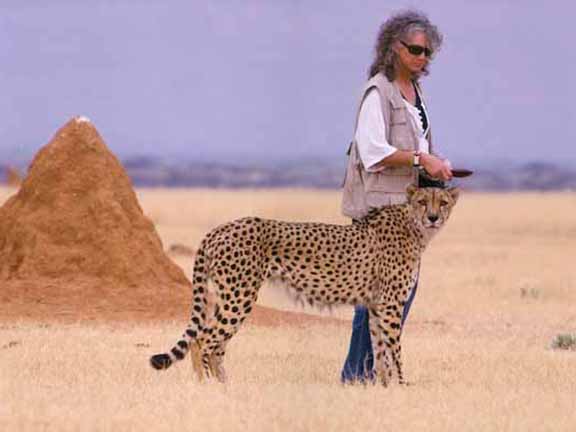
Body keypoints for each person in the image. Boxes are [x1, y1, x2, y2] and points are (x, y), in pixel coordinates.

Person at [340, 10, 452, 383]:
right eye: (416, 50)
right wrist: (422, 159)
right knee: (378, 297)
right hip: (380, 213)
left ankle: (372, 376)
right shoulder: (379, 92)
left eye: (428, 53)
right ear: (393, 47)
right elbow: (372, 152)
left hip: (406, 217)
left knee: (394, 296)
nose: (423, 59)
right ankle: (356, 377)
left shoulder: (413, 94)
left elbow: (413, 147)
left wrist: (436, 167)